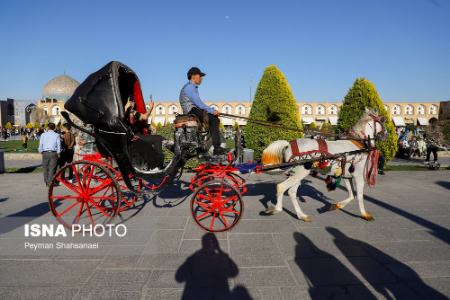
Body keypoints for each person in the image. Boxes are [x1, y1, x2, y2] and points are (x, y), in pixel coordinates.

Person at [179, 67, 228, 155]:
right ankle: (217, 148)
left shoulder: (191, 87)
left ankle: (208, 146)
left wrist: (211, 111)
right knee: (214, 119)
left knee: (214, 119)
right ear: (193, 76)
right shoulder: (189, 87)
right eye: (200, 76)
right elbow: (199, 103)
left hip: (193, 110)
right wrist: (212, 111)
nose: (201, 78)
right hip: (191, 111)